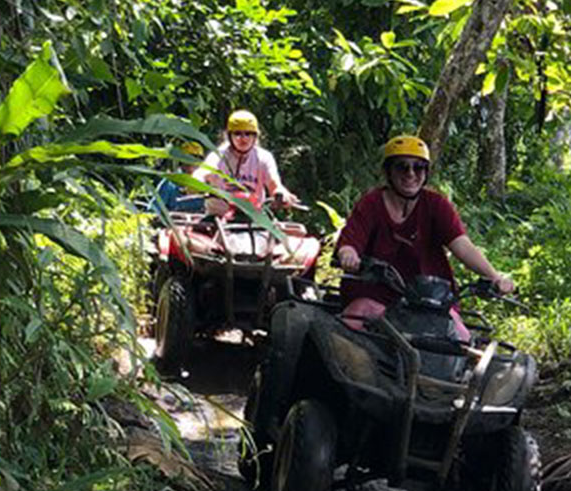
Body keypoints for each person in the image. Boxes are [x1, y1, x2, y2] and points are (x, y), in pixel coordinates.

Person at [336, 135, 514, 338]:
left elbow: (462, 245)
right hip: (378, 294)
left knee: (462, 338)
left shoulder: (436, 205)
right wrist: (349, 255)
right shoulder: (371, 203)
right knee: (353, 321)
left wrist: (494, 276)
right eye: (402, 167)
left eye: (418, 167)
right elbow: (351, 241)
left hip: (429, 300)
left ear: (426, 172)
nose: (411, 174)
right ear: (388, 172)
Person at [191, 109, 298, 217]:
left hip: (254, 218)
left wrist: (282, 194)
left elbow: (274, 184)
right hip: (218, 217)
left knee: (298, 232)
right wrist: (196, 182)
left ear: (255, 136)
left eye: (248, 134)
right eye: (237, 134)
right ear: (229, 136)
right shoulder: (218, 156)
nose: (243, 138)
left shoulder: (264, 157)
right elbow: (203, 172)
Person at [152, 141, 206, 214]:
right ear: (181, 160)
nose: (192, 162)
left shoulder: (206, 183)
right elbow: (154, 209)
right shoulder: (170, 183)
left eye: (196, 158)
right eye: (189, 158)